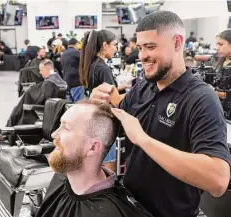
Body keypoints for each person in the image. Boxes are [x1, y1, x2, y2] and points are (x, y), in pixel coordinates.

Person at [90, 11, 230, 217]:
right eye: (140, 47)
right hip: (130, 206)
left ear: (177, 43)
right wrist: (101, 102)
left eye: (151, 47)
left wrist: (143, 140)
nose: (142, 55)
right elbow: (117, 120)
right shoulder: (143, 87)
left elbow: (218, 181)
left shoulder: (201, 99)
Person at [35, 100, 153, 217]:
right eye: (60, 125)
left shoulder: (111, 212)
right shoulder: (61, 177)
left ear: (92, 147)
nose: (54, 134)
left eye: (66, 128)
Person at [79, 29, 123, 171]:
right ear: (105, 45)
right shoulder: (103, 68)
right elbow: (115, 100)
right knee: (108, 167)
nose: (116, 48)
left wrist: (124, 86)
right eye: (115, 44)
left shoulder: (93, 65)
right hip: (105, 121)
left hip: (96, 118)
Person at [7, 59, 67, 126]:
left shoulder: (48, 83)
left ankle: (8, 131)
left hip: (38, 110)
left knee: (17, 111)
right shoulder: (60, 81)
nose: (40, 72)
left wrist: (31, 92)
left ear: (48, 69)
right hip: (53, 110)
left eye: (41, 70)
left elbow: (42, 100)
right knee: (17, 110)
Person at [61, 38, 84, 103]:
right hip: (76, 81)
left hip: (66, 82)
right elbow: (86, 62)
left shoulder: (63, 54)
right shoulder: (76, 52)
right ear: (76, 44)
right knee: (79, 104)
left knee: (69, 105)